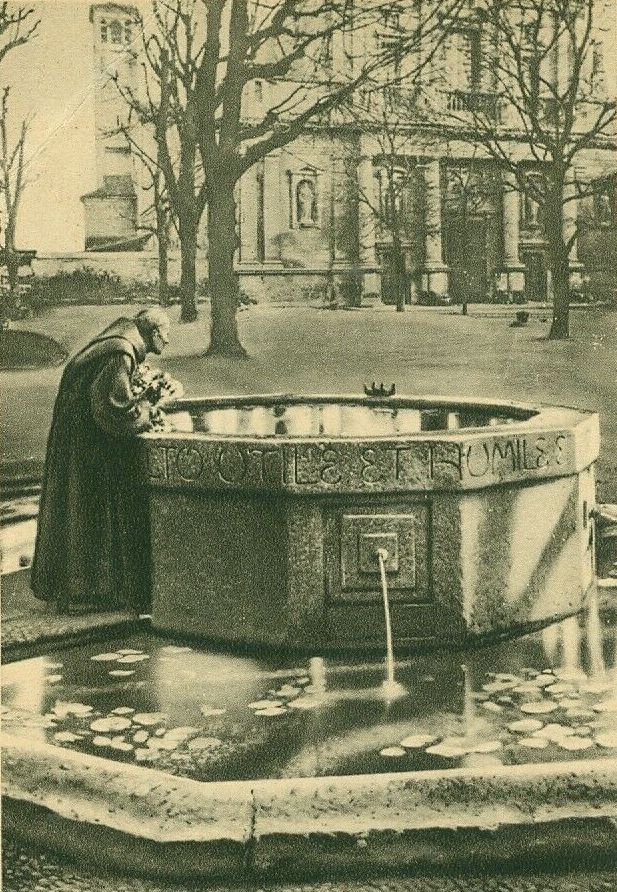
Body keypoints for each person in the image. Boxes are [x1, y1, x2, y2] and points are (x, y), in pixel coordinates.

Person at [31, 307, 171, 614]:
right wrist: (147, 409)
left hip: (80, 439)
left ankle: (79, 589)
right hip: (88, 446)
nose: (168, 341)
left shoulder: (118, 342)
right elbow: (115, 408)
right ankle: (89, 591)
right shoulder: (120, 352)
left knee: (80, 509)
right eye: (165, 334)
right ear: (153, 333)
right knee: (89, 511)